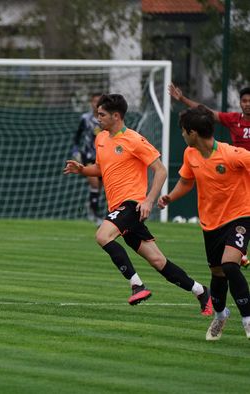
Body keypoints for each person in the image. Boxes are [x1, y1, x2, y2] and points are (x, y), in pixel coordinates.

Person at [63, 94, 212, 314]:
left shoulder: (133, 139)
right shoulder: (101, 138)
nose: (98, 118)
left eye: (102, 114)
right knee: (158, 261)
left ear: (116, 116)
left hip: (132, 205)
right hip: (118, 209)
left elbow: (160, 170)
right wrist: (83, 170)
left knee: (102, 235)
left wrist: (148, 201)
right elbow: (101, 168)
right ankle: (201, 291)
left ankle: (137, 284)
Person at [158, 105, 250, 340]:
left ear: (193, 133)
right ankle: (220, 315)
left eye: (183, 131)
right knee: (218, 274)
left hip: (240, 215)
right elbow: (187, 182)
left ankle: (248, 319)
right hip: (211, 224)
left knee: (230, 265)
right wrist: (170, 197)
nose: (181, 135)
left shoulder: (232, 154)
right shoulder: (191, 154)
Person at [169, 83, 250, 268]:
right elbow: (204, 113)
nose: (247, 104)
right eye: (244, 101)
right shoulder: (233, 119)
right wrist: (182, 99)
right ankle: (236, 249)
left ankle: (237, 249)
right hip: (237, 172)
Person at [71, 93, 103, 224]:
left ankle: (91, 206)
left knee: (98, 188)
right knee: (94, 184)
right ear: (91, 103)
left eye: (99, 102)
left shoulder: (107, 119)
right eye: (94, 101)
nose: (96, 104)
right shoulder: (86, 118)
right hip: (89, 156)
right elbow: (77, 136)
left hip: (104, 158)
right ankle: (96, 217)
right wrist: (75, 151)